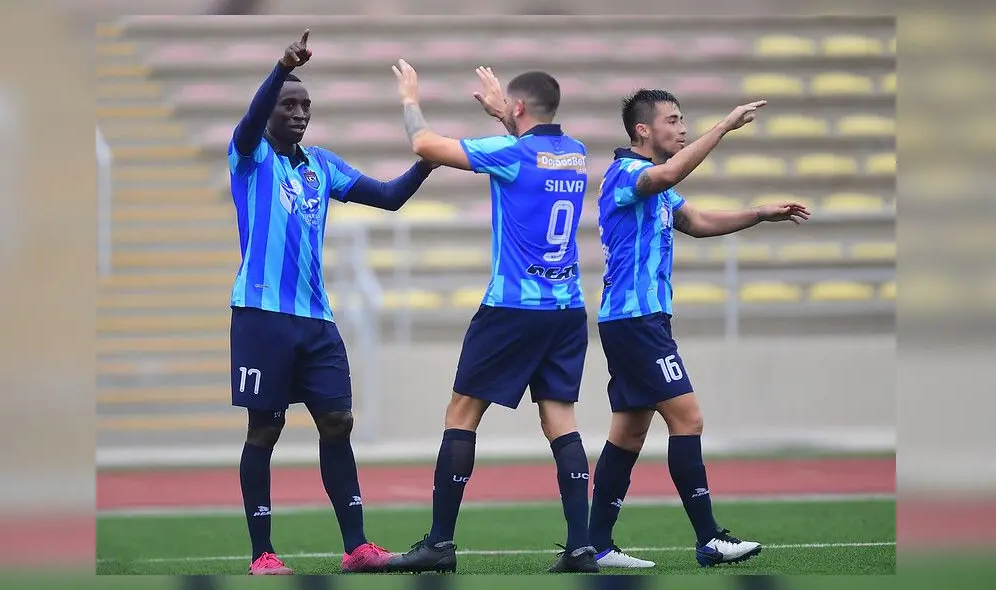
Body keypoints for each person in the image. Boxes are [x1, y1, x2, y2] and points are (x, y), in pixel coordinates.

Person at [228, 31, 438, 575]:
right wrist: (280, 67)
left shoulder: (320, 164)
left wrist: (429, 161)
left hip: (317, 320)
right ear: (270, 109)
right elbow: (248, 124)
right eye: (288, 105)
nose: (299, 114)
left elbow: (388, 198)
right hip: (262, 315)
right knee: (264, 430)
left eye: (305, 106)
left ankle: (357, 548)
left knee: (338, 422)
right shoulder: (248, 157)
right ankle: (262, 555)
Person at [383, 61, 599, 574]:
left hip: (512, 308)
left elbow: (424, 146)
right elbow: (532, 151)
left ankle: (439, 543)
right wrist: (508, 115)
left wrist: (410, 98)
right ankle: (581, 547)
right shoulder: (576, 154)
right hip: (566, 308)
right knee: (560, 421)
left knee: (462, 415)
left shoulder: (510, 152)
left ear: (518, 107)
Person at [588, 89, 811, 569]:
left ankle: (597, 546)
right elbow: (669, 172)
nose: (683, 127)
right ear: (643, 130)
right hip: (637, 321)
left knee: (628, 433)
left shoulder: (657, 186)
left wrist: (759, 214)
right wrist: (725, 126)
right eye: (674, 120)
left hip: (633, 321)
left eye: (685, 119)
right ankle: (709, 539)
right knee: (687, 419)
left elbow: (697, 220)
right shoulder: (628, 174)